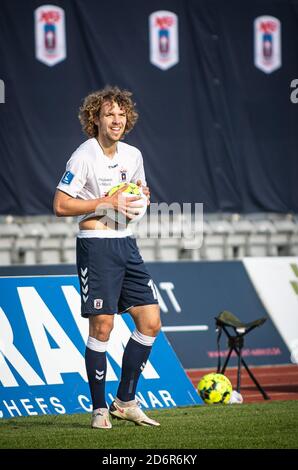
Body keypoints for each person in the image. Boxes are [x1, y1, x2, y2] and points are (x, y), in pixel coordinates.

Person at [53, 86, 161, 429]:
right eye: (109, 114)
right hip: (96, 246)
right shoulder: (84, 155)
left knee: (150, 322)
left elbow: (138, 195)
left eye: (121, 114)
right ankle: (99, 409)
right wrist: (106, 203)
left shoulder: (133, 155)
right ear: (95, 119)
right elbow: (60, 205)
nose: (116, 120)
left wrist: (139, 198)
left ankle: (125, 401)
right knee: (103, 326)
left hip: (126, 243)